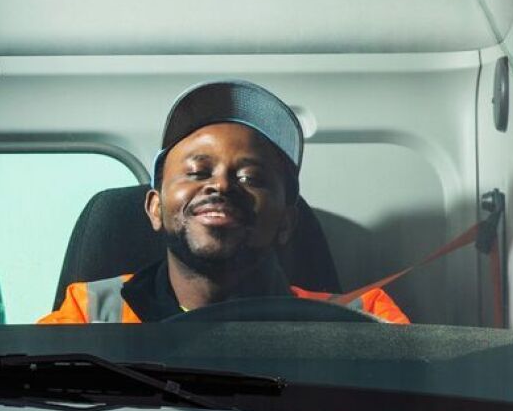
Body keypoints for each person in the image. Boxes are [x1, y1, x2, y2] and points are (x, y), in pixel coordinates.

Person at [39, 79, 408, 325]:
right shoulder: (89, 314)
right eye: (198, 171)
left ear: (285, 223)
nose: (222, 185)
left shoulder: (362, 318)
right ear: (154, 208)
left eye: (251, 178)